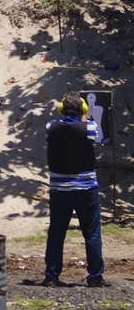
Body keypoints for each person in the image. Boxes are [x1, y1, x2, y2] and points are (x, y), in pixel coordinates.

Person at [42, 92, 109, 288]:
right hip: (86, 188)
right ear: (83, 109)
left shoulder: (51, 127)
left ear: (62, 109)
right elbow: (96, 138)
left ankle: (51, 276)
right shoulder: (89, 127)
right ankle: (95, 276)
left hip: (59, 189)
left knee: (56, 233)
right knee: (92, 233)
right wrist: (84, 119)